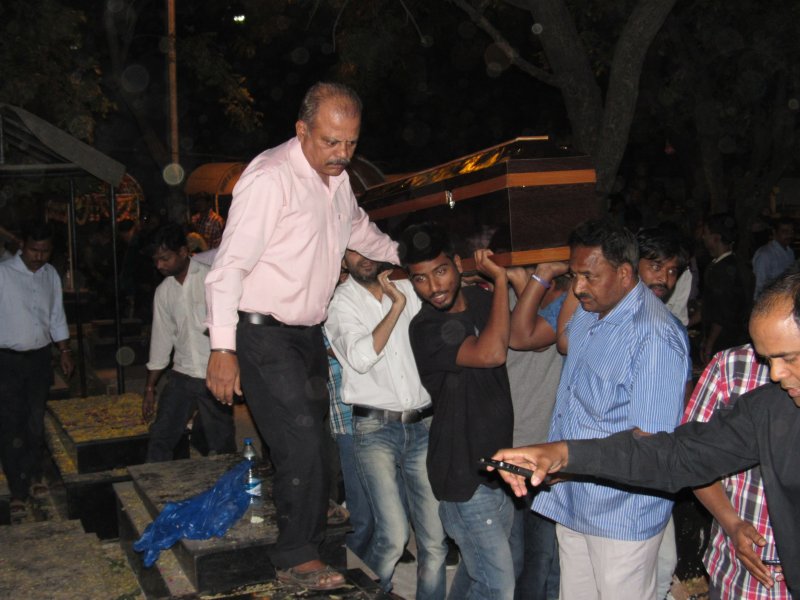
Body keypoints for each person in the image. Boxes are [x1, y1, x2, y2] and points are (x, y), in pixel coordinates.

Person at [490, 271, 800, 598]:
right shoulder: (770, 409)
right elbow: (675, 455)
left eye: (788, 358)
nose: (776, 374)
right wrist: (564, 453)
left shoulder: (655, 333)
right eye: (768, 360)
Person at [204, 81, 398, 591]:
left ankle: (308, 534)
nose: (342, 154)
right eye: (331, 141)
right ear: (302, 130)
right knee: (302, 444)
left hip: (308, 335)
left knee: (316, 446)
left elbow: (362, 232)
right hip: (263, 334)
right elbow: (226, 270)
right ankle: (295, 555)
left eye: (351, 143)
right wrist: (222, 349)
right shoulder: (270, 178)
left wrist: (412, 262)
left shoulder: (338, 182)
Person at [534, 218, 690, 600]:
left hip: (621, 510)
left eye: (589, 276)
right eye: (574, 275)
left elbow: (650, 444)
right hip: (573, 498)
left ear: (624, 273)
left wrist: (571, 464)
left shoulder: (653, 335)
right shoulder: (588, 313)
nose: (578, 287)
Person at [401, 222, 518, 600]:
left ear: (456, 264)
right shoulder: (426, 327)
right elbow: (492, 353)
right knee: (499, 586)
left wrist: (540, 280)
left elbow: (517, 336)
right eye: (420, 279)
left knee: (475, 574)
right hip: (462, 473)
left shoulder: (482, 301)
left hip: (498, 467)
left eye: (440, 271)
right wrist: (500, 282)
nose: (434, 287)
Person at [325, 249, 447, 598]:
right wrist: (395, 306)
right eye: (353, 251)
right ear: (343, 258)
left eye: (368, 247)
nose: (363, 256)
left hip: (424, 424)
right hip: (375, 428)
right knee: (393, 536)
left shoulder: (410, 286)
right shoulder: (339, 302)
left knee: (435, 540)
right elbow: (361, 358)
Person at [684, 344, 790, 599]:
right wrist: (732, 524)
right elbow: (692, 458)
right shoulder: (731, 367)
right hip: (739, 574)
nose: (776, 374)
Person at [142, 224, 235, 462]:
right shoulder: (164, 291)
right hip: (182, 374)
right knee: (161, 437)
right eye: (156, 260)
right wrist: (150, 387)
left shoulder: (211, 278)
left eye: (165, 259)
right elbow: (161, 340)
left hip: (213, 374)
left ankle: (225, 492)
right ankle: (155, 488)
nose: (159, 266)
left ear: (183, 252)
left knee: (221, 444)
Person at [0, 221, 74, 518]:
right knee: (10, 424)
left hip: (40, 358)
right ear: (22, 246)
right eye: (34, 250)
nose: (39, 257)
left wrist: (65, 350)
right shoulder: (4, 273)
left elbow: (56, 315)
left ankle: (33, 476)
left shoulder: (50, 275)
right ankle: (17, 490)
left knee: (34, 421)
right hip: (7, 360)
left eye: (45, 251)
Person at [505, 263, 570, 600]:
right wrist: (523, 283)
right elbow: (523, 335)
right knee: (527, 556)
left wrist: (525, 283)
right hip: (517, 449)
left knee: (547, 556)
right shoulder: (507, 309)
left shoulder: (561, 308)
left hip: (546, 449)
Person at [700, 213, 750, 364]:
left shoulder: (724, 269)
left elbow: (723, 312)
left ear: (716, 238)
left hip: (726, 340)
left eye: (706, 234)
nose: (703, 238)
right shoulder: (722, 264)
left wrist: (710, 343)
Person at [752, 217, 794, 299]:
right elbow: (759, 287)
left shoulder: (789, 252)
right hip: (770, 304)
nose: (789, 235)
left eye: (791, 231)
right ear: (774, 232)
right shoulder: (765, 254)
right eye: (785, 231)